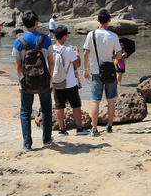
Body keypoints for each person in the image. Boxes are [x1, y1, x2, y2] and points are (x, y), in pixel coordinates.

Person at [12, 10, 55, 150]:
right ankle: (47, 139)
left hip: (27, 82)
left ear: (24, 24)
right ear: (37, 23)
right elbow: (51, 62)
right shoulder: (46, 39)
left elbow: (18, 66)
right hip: (44, 81)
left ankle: (27, 143)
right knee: (46, 109)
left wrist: (21, 81)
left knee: (25, 111)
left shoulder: (19, 41)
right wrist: (51, 80)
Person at [83, 9, 122, 137]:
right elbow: (118, 56)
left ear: (98, 20)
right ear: (109, 21)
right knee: (111, 100)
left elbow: (85, 53)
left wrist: (85, 69)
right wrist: (111, 55)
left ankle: (94, 129)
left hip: (96, 72)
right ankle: (109, 127)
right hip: (110, 72)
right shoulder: (114, 36)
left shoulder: (91, 35)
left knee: (95, 101)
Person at [52, 25, 89, 136]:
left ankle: (62, 130)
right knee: (76, 105)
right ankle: (79, 128)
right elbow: (77, 64)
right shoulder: (68, 49)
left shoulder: (51, 49)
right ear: (64, 37)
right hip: (70, 83)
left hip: (56, 81)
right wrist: (77, 53)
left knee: (59, 105)